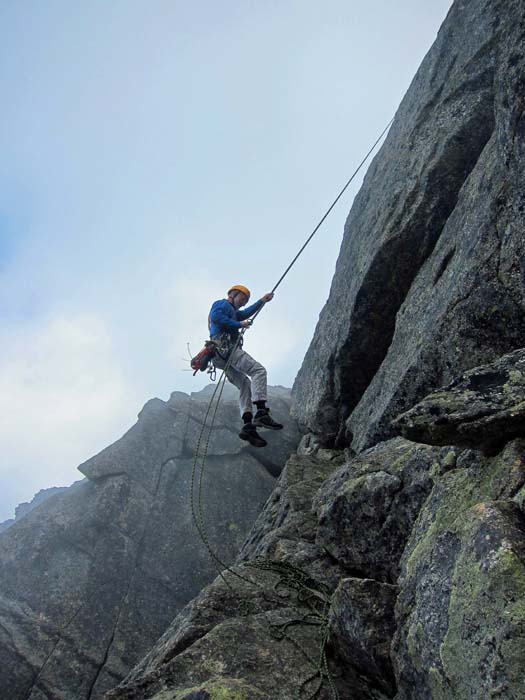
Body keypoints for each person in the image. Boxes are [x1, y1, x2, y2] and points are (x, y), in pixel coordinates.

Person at [209, 284, 283, 447]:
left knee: (244, 384)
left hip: (218, 356)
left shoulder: (234, 312)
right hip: (226, 347)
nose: (243, 303)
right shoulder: (222, 304)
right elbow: (216, 317)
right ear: (233, 294)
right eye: (242, 299)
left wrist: (262, 301)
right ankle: (261, 412)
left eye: (245, 301)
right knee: (258, 371)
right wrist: (239, 325)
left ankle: (248, 426)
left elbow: (246, 312)